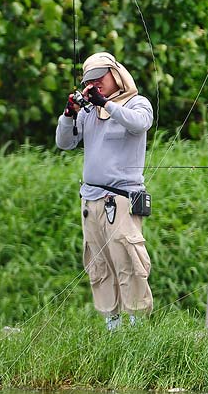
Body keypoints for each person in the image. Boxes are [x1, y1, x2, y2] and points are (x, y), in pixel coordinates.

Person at [56, 51, 154, 330]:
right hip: (90, 200)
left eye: (100, 78)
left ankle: (136, 327)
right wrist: (68, 115)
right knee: (98, 264)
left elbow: (139, 124)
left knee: (128, 261)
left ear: (116, 73)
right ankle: (112, 325)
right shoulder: (88, 112)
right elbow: (65, 143)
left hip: (121, 199)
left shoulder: (138, 103)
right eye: (90, 81)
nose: (95, 84)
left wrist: (106, 104)